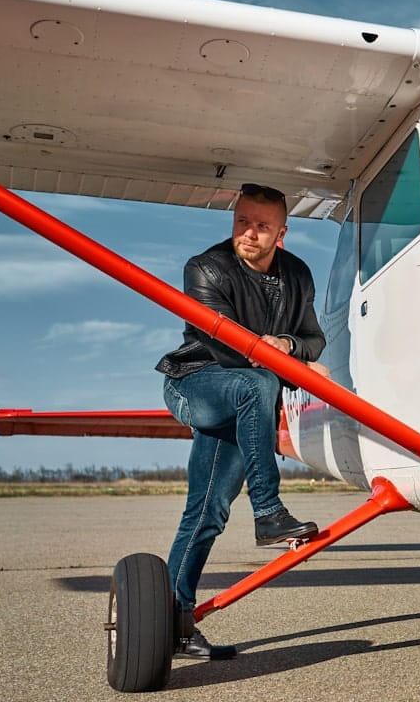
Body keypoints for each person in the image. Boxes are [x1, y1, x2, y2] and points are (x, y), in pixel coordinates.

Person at [154, 182, 326, 660]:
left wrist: (289, 347)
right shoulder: (206, 268)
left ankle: (175, 623)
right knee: (258, 384)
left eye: (262, 226)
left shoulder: (298, 274)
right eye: (242, 223)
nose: (249, 234)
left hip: (248, 401)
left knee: (207, 513)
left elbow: (314, 339)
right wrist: (278, 355)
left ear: (282, 233)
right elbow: (227, 347)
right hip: (197, 383)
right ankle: (269, 512)